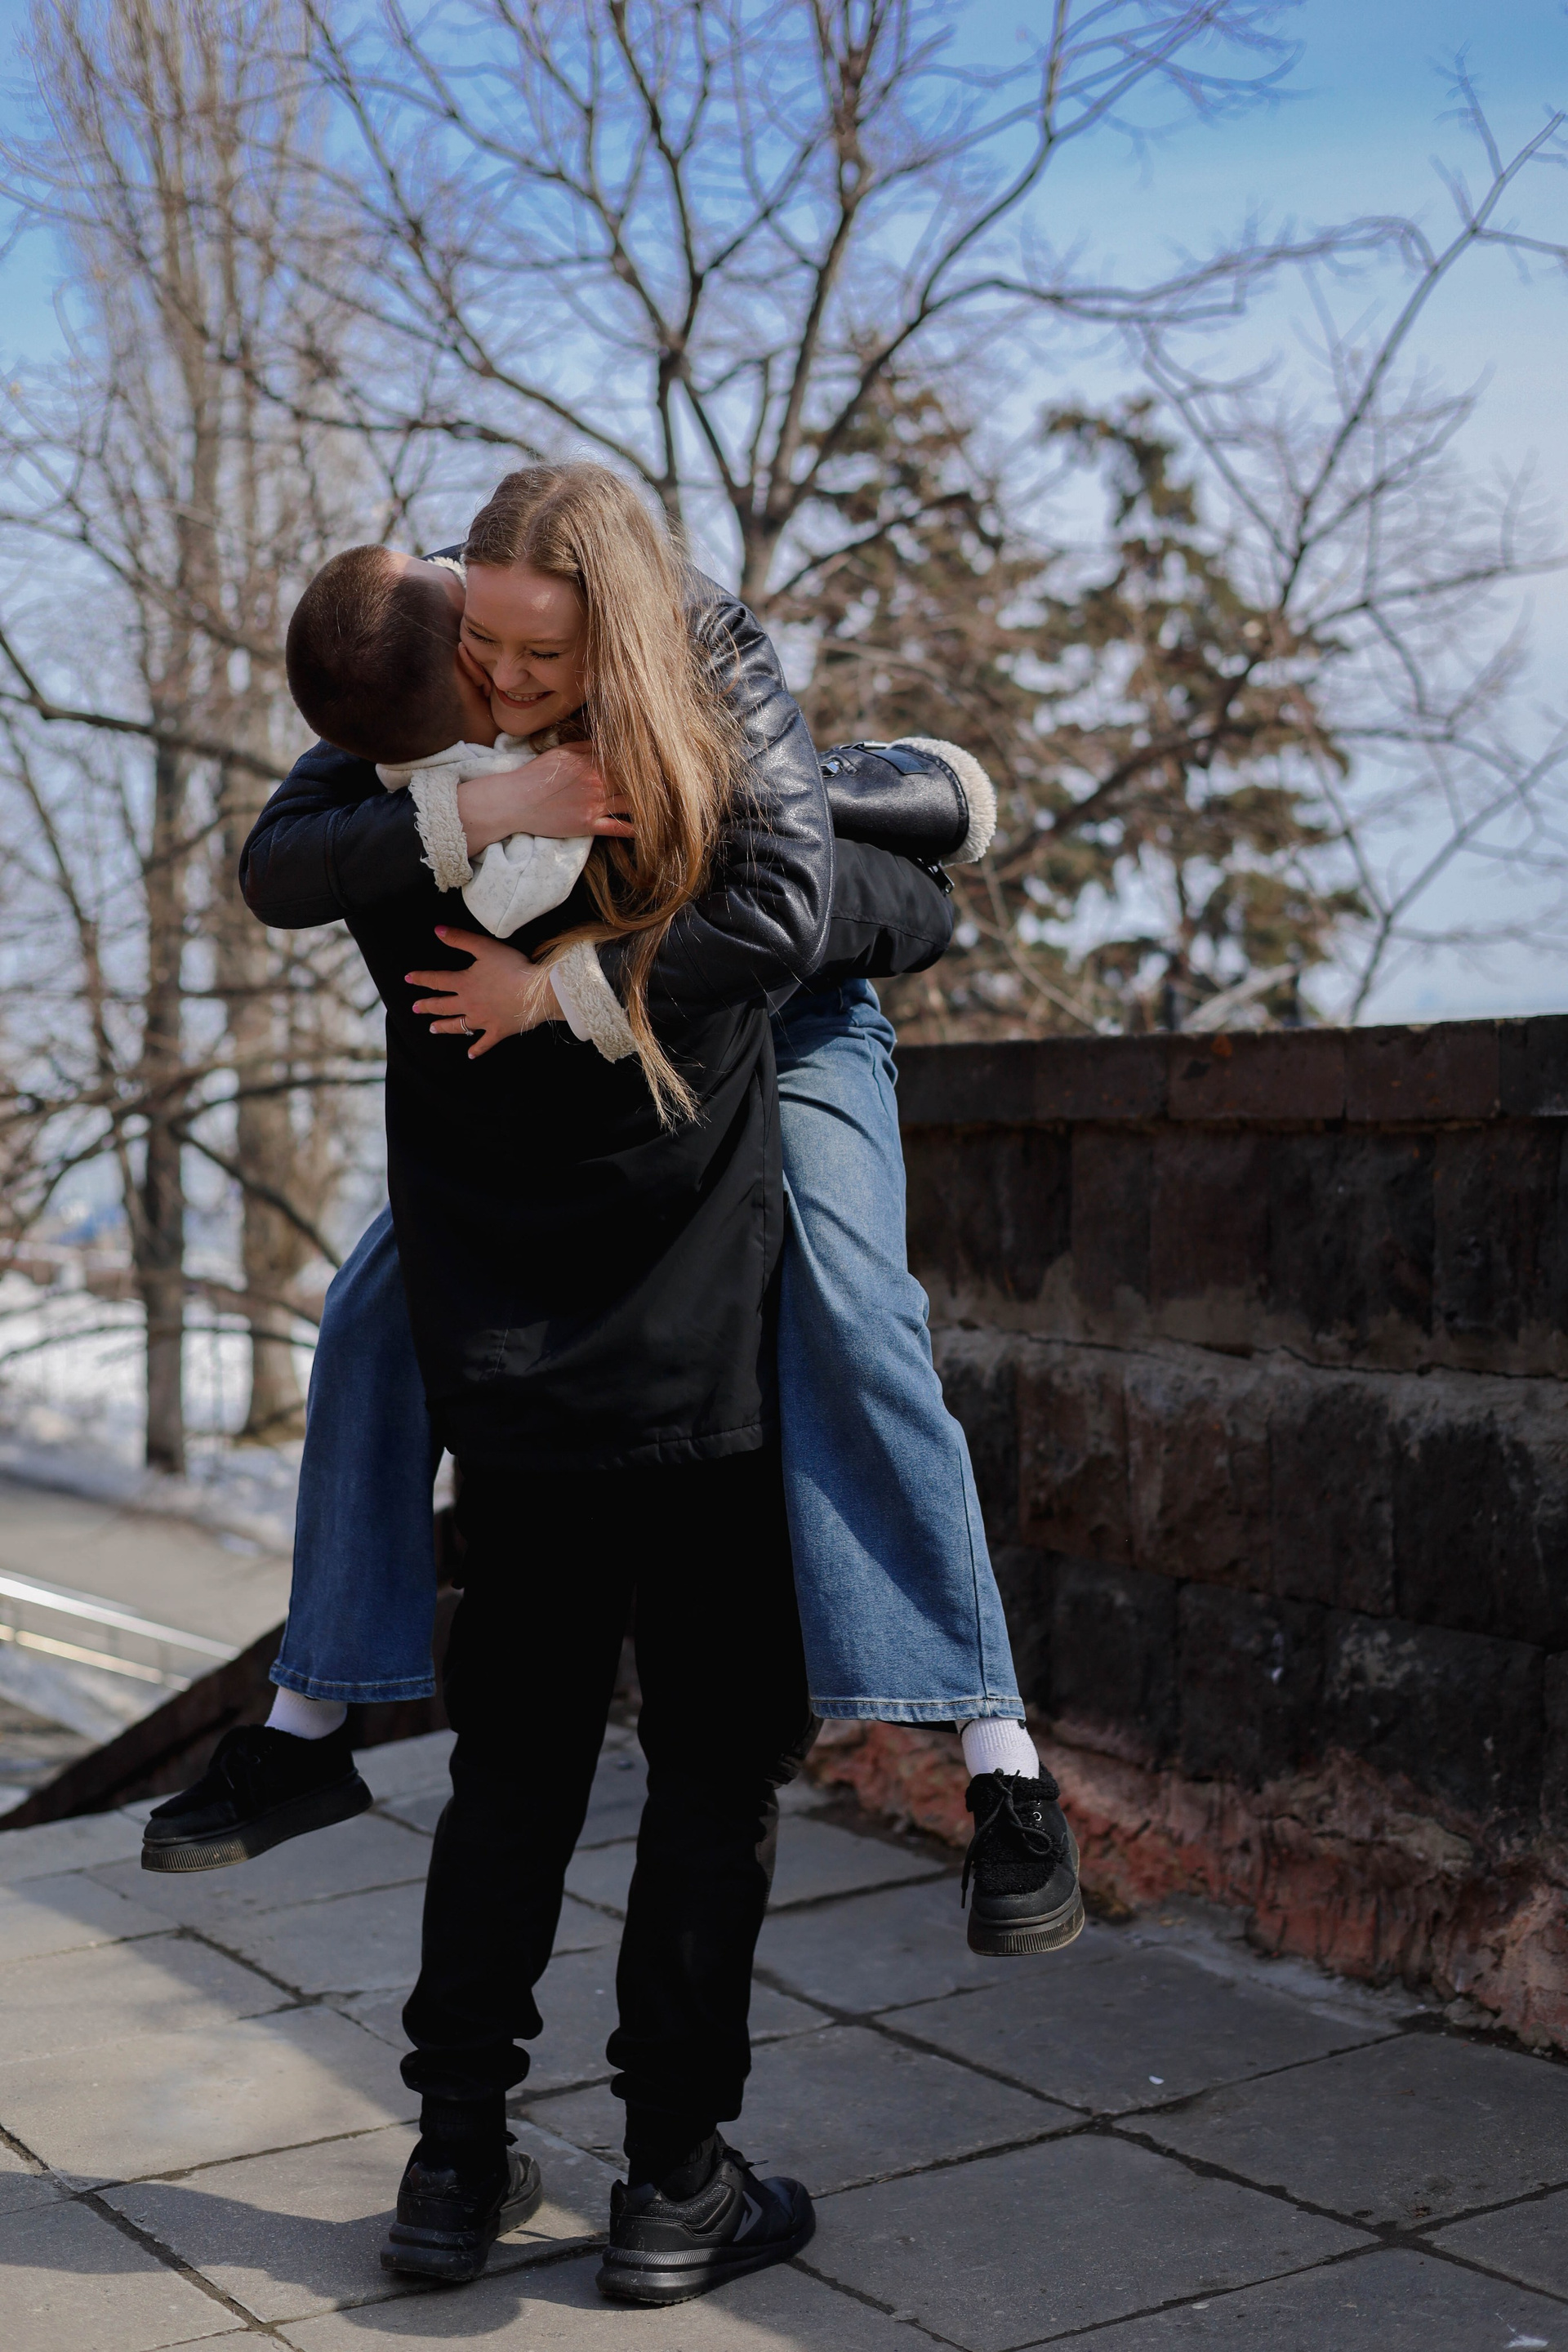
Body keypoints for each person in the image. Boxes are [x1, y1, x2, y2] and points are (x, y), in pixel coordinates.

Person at [145, 466, 1080, 2297]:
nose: (501, 682)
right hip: (690, 1364)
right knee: (712, 1776)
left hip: (520, 1383)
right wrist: (849, 831)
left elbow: (299, 863)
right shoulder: (602, 855)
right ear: (444, 655)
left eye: (527, 656)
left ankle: (453, 2163)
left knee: (515, 1770)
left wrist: (528, 887)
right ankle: (672, 2177)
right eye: (476, 654)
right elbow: (872, 910)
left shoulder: (436, 873)